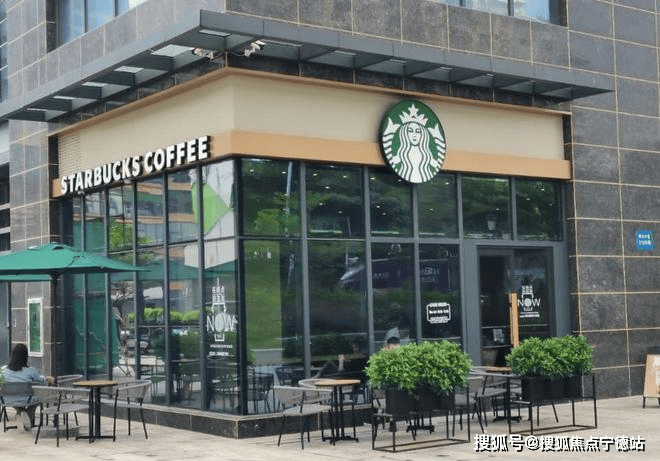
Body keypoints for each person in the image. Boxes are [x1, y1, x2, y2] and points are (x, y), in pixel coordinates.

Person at [1, 343, 52, 430]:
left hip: (6, 399)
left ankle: (20, 411)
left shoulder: (3, 370)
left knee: (13, 397)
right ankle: (27, 414)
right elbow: (41, 380)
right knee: (38, 398)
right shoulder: (30, 370)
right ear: (25, 356)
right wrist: (47, 378)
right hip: (26, 399)